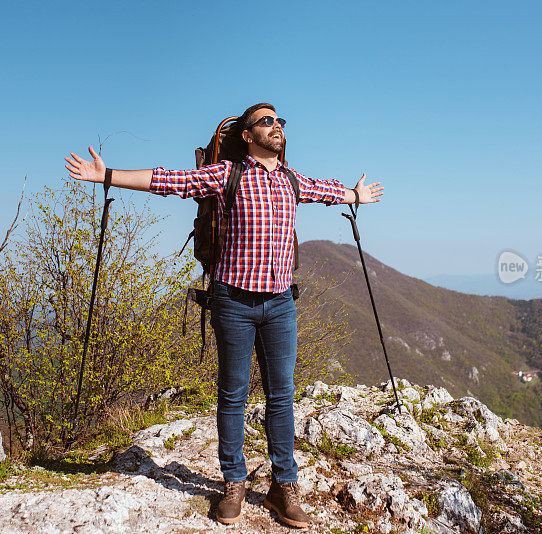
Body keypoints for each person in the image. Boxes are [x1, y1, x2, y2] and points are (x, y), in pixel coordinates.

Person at [65, 103, 383, 528]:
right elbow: (169, 181)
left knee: (281, 396)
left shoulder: (291, 180)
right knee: (233, 395)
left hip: (281, 303)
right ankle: (233, 484)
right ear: (248, 136)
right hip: (233, 302)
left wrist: (356, 195)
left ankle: (282, 486)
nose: (277, 127)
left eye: (279, 121)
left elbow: (328, 190)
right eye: (266, 122)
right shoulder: (226, 175)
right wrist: (106, 175)